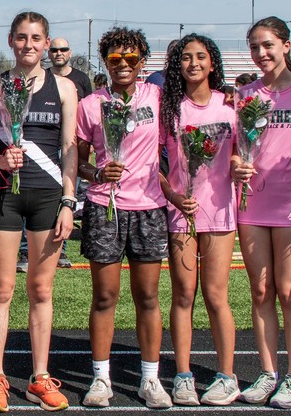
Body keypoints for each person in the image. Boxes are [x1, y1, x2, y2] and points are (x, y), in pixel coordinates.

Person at [0, 11, 78, 412]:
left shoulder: (64, 87)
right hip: (3, 196)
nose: (28, 45)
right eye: (21, 38)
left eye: (36, 38)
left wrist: (69, 199)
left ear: (47, 43)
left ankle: (39, 376)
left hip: (48, 196)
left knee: (41, 289)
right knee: (1, 289)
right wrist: (0, 163)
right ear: (10, 41)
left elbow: (69, 148)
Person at [75, 26, 173, 409]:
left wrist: (176, 193)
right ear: (105, 61)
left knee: (147, 296)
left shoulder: (158, 98)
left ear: (142, 61)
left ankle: (151, 379)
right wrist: (98, 174)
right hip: (105, 207)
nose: (124, 64)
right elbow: (79, 162)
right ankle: (101, 379)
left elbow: (172, 153)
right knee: (104, 297)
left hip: (149, 208)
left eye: (131, 58)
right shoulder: (90, 104)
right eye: (116, 58)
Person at [230, 17, 291, 408]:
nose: (261, 54)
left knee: (287, 290)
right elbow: (233, 148)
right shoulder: (244, 94)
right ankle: (267, 372)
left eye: (267, 45)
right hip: (251, 203)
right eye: (254, 48)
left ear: (286, 44)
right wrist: (237, 163)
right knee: (260, 290)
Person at [160, 33, 239, 406]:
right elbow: (151, 163)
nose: (193, 63)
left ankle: (226, 376)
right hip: (182, 213)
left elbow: (242, 154)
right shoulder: (170, 108)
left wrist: (240, 167)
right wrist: (174, 195)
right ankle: (184, 375)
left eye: (201, 57)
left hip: (221, 211)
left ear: (212, 62)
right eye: (186, 58)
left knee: (216, 295)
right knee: (183, 295)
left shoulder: (231, 107)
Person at [48, 37, 91, 268]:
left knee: (66, 195)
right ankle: (26, 249)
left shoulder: (81, 79)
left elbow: (86, 113)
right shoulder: (44, 77)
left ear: (70, 52)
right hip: (46, 143)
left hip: (72, 143)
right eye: (54, 50)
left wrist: (86, 143)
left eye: (62, 49)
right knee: (44, 195)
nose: (58, 53)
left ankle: (61, 248)